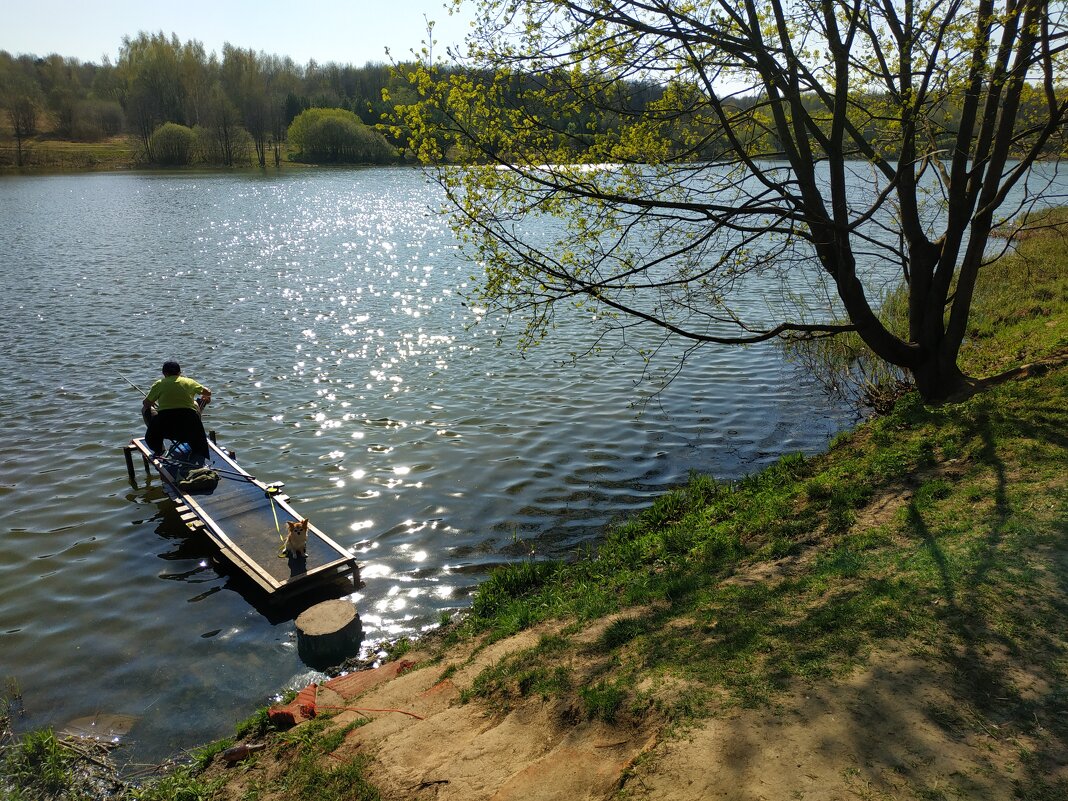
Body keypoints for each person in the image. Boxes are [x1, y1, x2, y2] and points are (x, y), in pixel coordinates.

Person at [143, 360, 212, 461]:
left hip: (165, 430)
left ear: (164, 373)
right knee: (198, 402)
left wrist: (153, 401)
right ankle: (195, 448)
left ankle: (159, 448)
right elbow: (208, 392)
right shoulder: (189, 382)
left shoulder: (159, 384)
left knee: (145, 409)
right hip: (190, 429)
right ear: (180, 372)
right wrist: (204, 395)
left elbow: (146, 403)